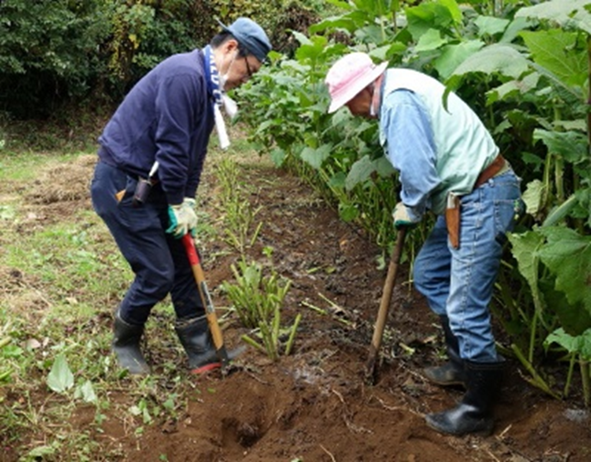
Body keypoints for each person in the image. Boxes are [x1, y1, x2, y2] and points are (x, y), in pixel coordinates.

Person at [324, 52, 523, 436]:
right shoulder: (398, 89)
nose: (350, 111)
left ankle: (478, 408)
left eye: (348, 102)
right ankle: (462, 364)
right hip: (463, 198)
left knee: (464, 306)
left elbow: (418, 172)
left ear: (364, 90)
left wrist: (410, 207)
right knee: (430, 273)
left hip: (482, 195)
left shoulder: (398, 102)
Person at [90, 18, 272, 375]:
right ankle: (124, 340)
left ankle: (202, 351)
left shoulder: (207, 89)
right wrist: (175, 201)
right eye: (248, 71)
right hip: (123, 184)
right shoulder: (184, 76)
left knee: (187, 264)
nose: (245, 80)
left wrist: (186, 200)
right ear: (231, 48)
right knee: (158, 272)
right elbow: (171, 148)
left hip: (155, 186)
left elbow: (194, 155)